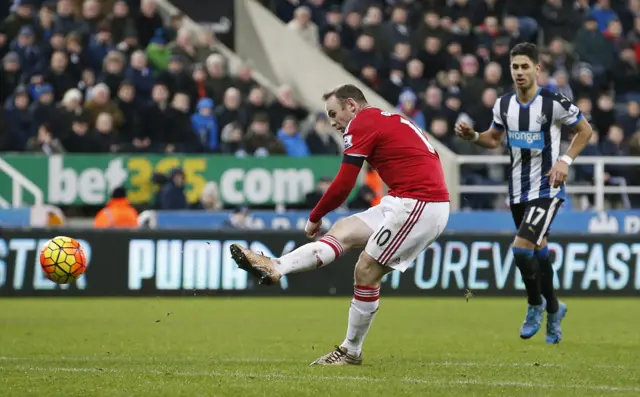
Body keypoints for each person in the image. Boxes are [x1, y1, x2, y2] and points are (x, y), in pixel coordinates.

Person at [230, 84, 450, 365]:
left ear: (352, 105)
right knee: (343, 232)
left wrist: (314, 216)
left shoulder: (361, 123)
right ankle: (276, 266)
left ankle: (350, 351)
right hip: (404, 199)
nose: (332, 121)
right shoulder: (386, 118)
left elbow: (345, 183)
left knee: (366, 270)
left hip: (420, 203)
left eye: (334, 113)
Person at [455, 43, 593, 344]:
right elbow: (494, 140)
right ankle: (555, 309)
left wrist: (565, 160)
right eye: (515, 67)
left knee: (520, 248)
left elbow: (585, 130)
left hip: (547, 188)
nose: (519, 72)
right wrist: (474, 137)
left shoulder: (554, 102)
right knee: (538, 250)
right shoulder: (503, 105)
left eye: (525, 66)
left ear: (537, 69)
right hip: (517, 191)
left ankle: (535, 305)